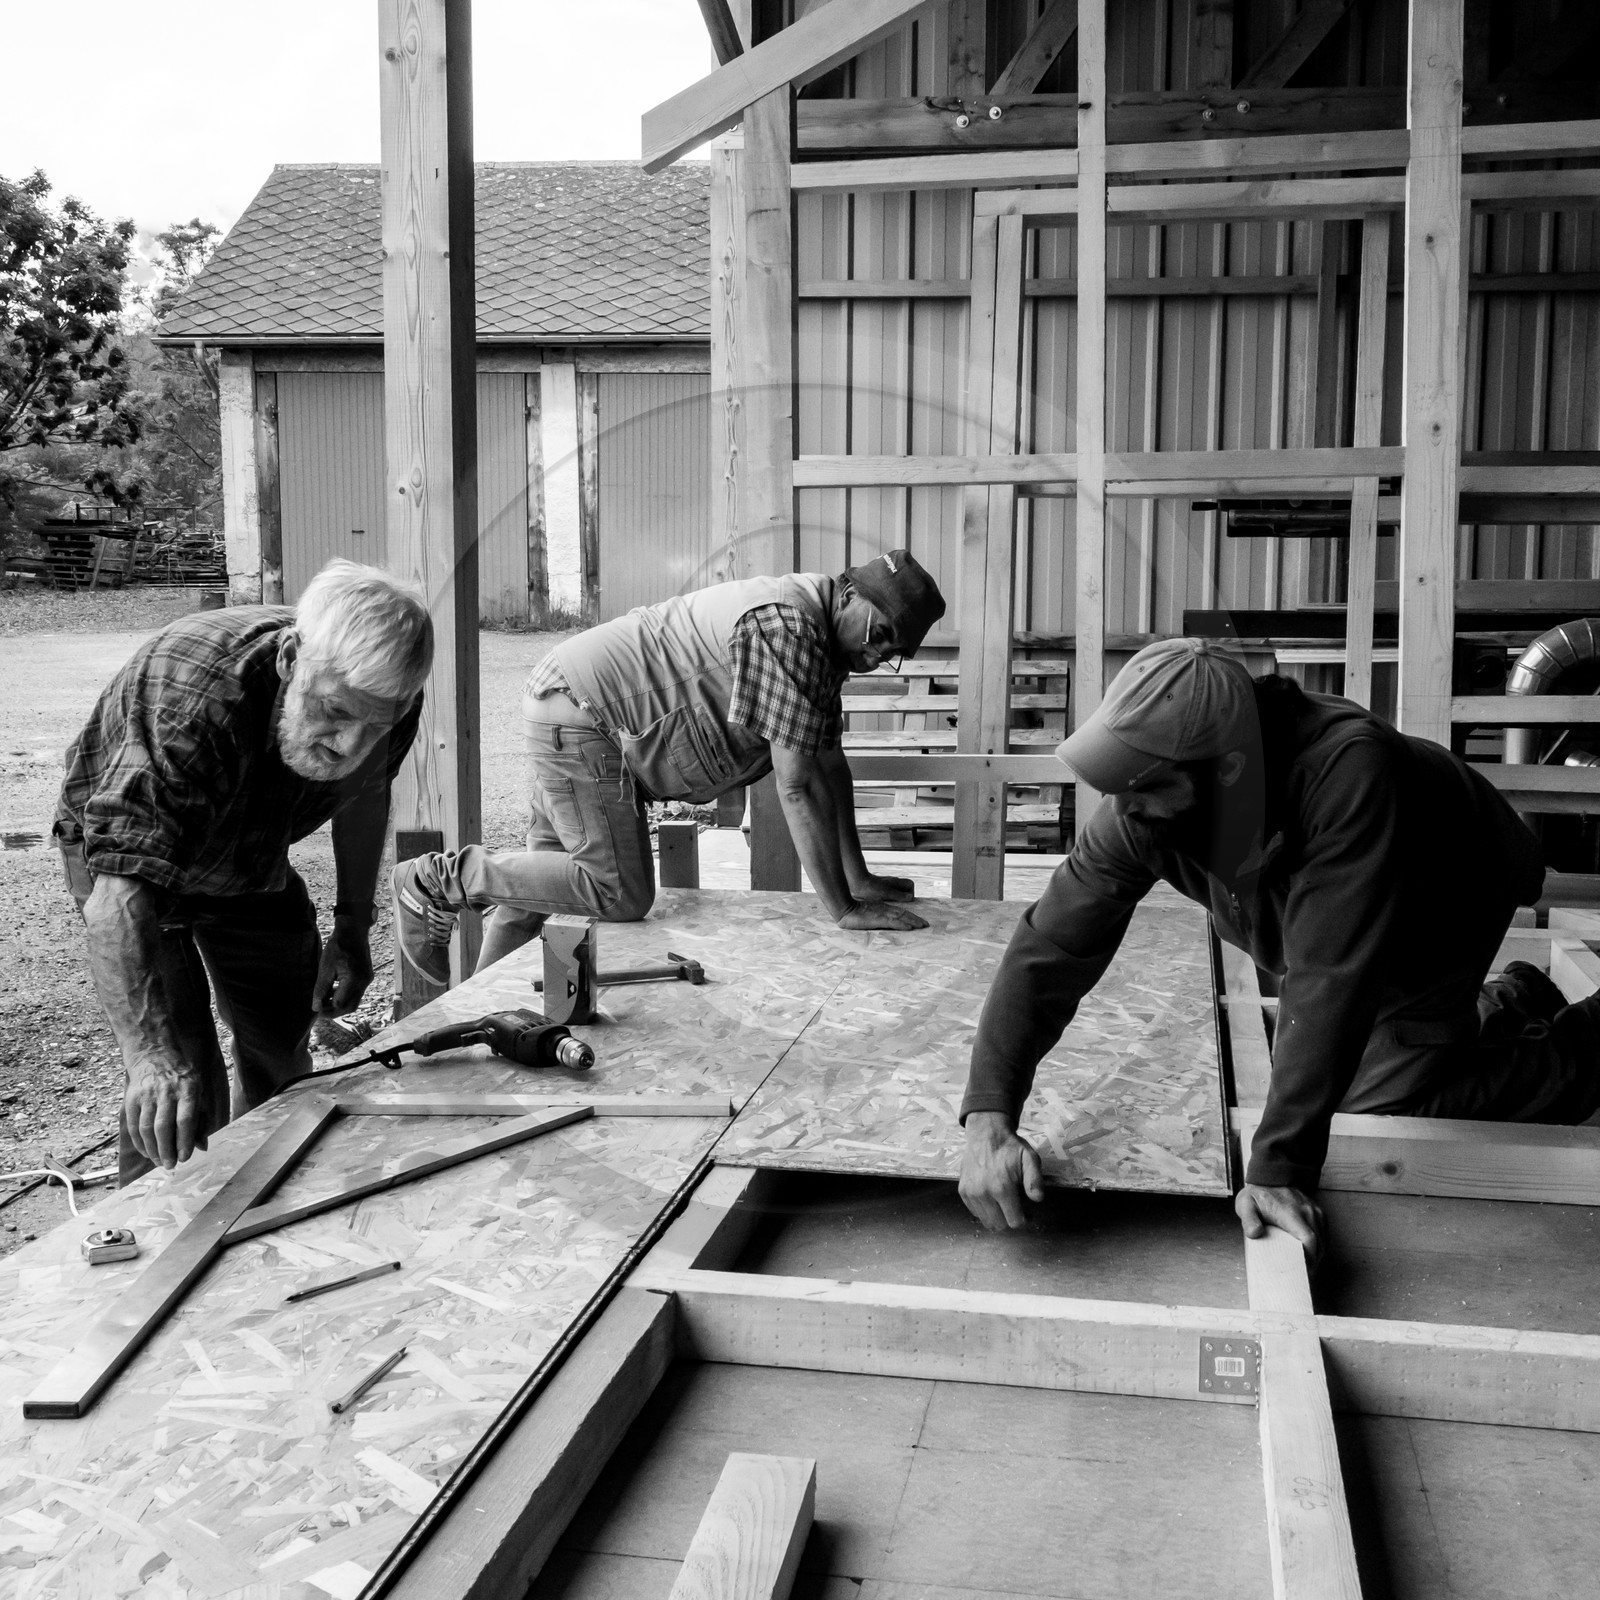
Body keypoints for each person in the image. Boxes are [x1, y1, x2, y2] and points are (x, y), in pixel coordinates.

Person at [957, 636, 1600, 1264]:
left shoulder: (1348, 771)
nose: (1122, 808)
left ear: (1227, 768)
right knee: (1342, 1020)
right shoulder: (1148, 805)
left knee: (1374, 1103)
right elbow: (1052, 946)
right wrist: (990, 1112)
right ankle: (1517, 999)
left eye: (1144, 787)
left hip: (1451, 880)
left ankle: (1584, 1045)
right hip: (1339, 883)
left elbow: (1329, 978)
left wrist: (1279, 1167)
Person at [393, 549, 948, 987]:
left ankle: (468, 1011)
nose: (878, 655)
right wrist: (843, 909)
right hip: (585, 719)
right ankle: (436, 880)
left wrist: (859, 878)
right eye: (878, 634)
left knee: (540, 890)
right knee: (618, 892)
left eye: (894, 650)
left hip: (583, 709)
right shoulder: (789, 628)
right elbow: (796, 786)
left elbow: (829, 767)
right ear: (848, 593)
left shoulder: (826, 644)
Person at [55, 560, 432, 1183]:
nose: (347, 744)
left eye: (376, 726)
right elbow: (118, 901)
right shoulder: (196, 704)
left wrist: (354, 927)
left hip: (250, 849)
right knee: (180, 1077)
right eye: (335, 711)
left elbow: (364, 796)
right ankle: (155, 1230)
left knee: (281, 1034)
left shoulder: (389, 700)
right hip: (133, 860)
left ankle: (267, 1196)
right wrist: (149, 1057)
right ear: (290, 659)